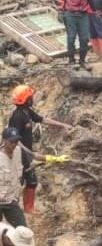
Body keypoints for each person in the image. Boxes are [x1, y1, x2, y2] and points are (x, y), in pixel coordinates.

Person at [8, 85, 73, 213]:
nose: (33, 98)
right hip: (18, 154)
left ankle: (27, 208)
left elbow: (42, 119)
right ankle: (20, 208)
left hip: (26, 153)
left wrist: (62, 125)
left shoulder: (27, 111)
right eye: (31, 97)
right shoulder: (17, 117)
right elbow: (14, 140)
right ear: (27, 100)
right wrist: (29, 153)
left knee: (30, 181)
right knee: (24, 181)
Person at [0, 126, 69, 228]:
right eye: (11, 142)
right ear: (4, 140)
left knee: (23, 230)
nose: (14, 144)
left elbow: (34, 156)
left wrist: (55, 158)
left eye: (16, 141)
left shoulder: (19, 151)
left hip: (11, 200)